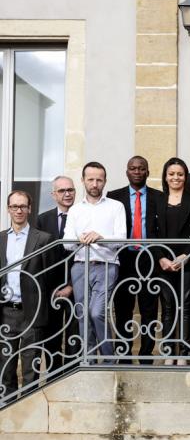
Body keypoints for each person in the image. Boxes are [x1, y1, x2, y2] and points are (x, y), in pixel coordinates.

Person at [63, 162, 126, 360]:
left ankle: (108, 359)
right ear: (83, 181)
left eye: (99, 179)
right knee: (83, 315)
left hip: (106, 266)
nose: (95, 183)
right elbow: (66, 242)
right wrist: (78, 240)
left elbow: (122, 239)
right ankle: (88, 360)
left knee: (97, 312)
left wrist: (101, 237)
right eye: (90, 179)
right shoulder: (74, 210)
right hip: (80, 266)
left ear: (105, 182)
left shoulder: (116, 206)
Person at [107, 156, 166, 363]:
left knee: (149, 309)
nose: (137, 172)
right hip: (124, 258)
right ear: (127, 172)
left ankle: (146, 355)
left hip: (149, 258)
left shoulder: (160, 197)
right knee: (123, 309)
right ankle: (123, 355)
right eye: (133, 168)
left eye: (142, 168)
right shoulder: (114, 197)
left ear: (148, 172)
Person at [157, 157, 190, 364]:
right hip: (164, 263)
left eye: (179, 174)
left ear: (185, 177)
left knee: (187, 307)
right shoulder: (158, 200)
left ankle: (186, 352)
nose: (175, 177)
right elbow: (152, 234)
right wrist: (161, 257)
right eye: (171, 174)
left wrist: (185, 256)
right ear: (165, 176)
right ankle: (169, 351)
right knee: (168, 306)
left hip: (189, 261)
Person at [0, 191, 52, 393]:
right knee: (5, 369)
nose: (18, 210)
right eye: (14, 206)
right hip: (5, 312)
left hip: (32, 311)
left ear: (30, 209)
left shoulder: (43, 239)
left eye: (22, 206)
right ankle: (8, 412)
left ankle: (29, 413)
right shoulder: (1, 239)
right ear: (8, 209)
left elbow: (50, 277)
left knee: (31, 369)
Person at [36, 176, 79, 371]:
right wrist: (50, 288)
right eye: (62, 191)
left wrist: (71, 284)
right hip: (50, 287)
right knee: (51, 335)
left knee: (74, 334)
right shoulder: (42, 219)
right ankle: (54, 375)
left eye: (70, 190)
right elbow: (38, 257)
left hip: (77, 284)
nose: (67, 194)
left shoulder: (83, 215)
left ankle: (71, 372)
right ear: (53, 195)